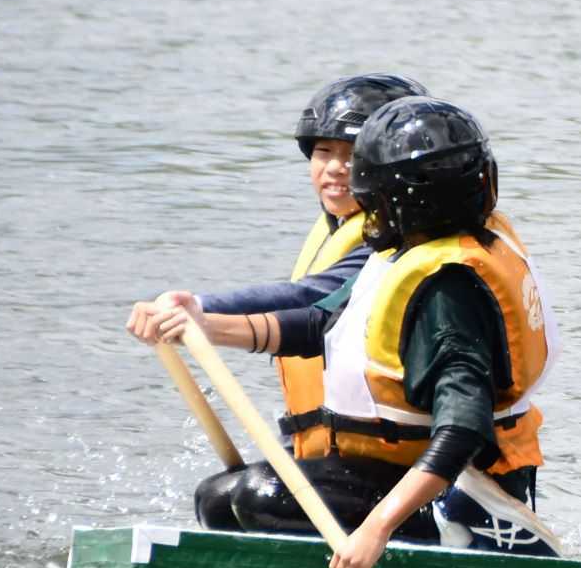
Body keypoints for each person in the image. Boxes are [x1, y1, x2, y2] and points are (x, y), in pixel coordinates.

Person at [133, 96, 559, 568]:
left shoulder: (450, 290)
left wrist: (375, 530)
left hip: (461, 489)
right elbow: (319, 323)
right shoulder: (409, 253)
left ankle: (481, 533)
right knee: (219, 497)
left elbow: (462, 431)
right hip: (399, 468)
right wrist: (202, 327)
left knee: (260, 496)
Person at [126, 72, 425, 468]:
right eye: (323, 152)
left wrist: (199, 308)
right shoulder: (338, 228)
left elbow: (314, 299)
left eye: (352, 156)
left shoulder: (394, 241)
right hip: (338, 445)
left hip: (398, 460)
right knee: (224, 500)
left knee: (243, 496)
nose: (335, 168)